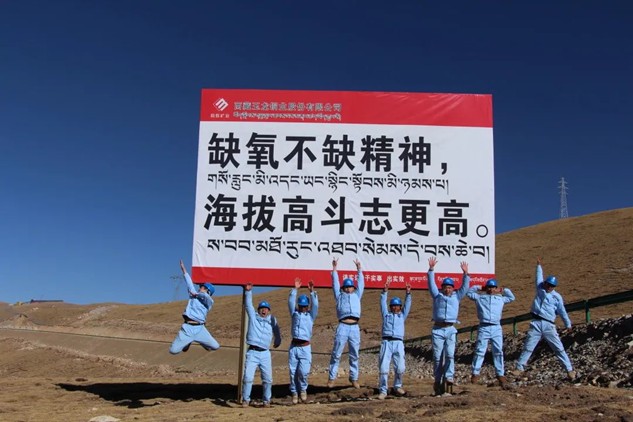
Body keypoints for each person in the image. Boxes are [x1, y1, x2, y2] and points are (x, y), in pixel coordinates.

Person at [513, 258, 575, 380]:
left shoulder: (557, 297)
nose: (549, 287)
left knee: (558, 348)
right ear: (545, 283)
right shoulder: (540, 288)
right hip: (536, 322)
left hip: (548, 324)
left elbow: (562, 311)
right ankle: (519, 368)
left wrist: (568, 324)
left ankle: (569, 370)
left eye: (552, 286)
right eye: (548, 284)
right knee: (529, 346)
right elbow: (538, 277)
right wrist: (539, 266)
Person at [427, 256, 470, 395]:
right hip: (438, 329)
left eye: (450, 287)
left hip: (450, 329)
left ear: (453, 288)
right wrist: (431, 270)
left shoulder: (457, 296)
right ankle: (437, 380)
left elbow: (465, 287)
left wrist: (465, 274)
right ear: (442, 288)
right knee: (438, 358)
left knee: (450, 354)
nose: (447, 289)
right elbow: (431, 285)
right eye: (445, 287)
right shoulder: (437, 296)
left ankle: (449, 376)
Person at [466, 278, 515, 387]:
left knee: (498, 351)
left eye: (493, 287)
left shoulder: (500, 299)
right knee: (480, 350)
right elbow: (469, 293)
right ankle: (475, 373)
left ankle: (500, 374)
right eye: (489, 287)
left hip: (496, 327)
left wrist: (502, 290)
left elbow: (512, 297)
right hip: (484, 327)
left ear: (495, 288)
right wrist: (480, 287)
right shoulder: (480, 298)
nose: (491, 289)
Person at [241, 283, 282, 408]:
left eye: (266, 309)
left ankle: (266, 400)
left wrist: (278, 340)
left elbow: (277, 330)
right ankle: (246, 400)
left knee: (268, 379)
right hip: (252, 352)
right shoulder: (253, 317)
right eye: (261, 308)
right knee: (248, 377)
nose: (264, 310)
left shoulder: (272, 320)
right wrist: (248, 292)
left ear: (269, 311)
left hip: (265, 353)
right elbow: (248, 305)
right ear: (258, 310)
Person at [327, 257, 364, 389]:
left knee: (354, 354)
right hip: (342, 325)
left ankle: (354, 378)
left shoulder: (357, 295)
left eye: (350, 287)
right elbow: (335, 284)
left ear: (353, 288)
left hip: (354, 326)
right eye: (346, 287)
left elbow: (361, 283)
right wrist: (334, 268)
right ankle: (332, 378)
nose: (348, 289)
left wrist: (359, 269)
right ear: (343, 288)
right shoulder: (339, 296)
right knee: (336, 353)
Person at [169, 260, 220, 354]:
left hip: (200, 328)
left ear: (207, 291)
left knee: (216, 346)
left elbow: (206, 297)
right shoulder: (193, 295)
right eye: (201, 286)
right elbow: (189, 282)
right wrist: (183, 269)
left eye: (203, 287)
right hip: (187, 327)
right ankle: (188, 341)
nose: (200, 288)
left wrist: (198, 294)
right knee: (173, 351)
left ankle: (201, 341)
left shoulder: (208, 302)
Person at [377, 279, 412, 400]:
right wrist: (384, 292)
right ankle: (383, 390)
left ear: (400, 307)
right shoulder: (386, 315)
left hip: (398, 342)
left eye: (397, 306)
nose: (395, 307)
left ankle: (397, 386)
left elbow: (408, 306)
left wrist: (408, 294)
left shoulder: (402, 316)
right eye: (393, 306)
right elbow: (382, 304)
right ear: (390, 307)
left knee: (400, 367)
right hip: (386, 342)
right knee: (383, 368)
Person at [288, 277, 318, 404]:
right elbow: (290, 302)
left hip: (305, 347)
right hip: (294, 346)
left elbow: (315, 305)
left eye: (305, 306)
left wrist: (312, 292)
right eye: (301, 306)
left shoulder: (311, 316)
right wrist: (295, 289)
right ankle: (294, 392)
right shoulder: (294, 314)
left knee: (304, 371)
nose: (303, 308)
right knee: (293, 372)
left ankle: (303, 390)